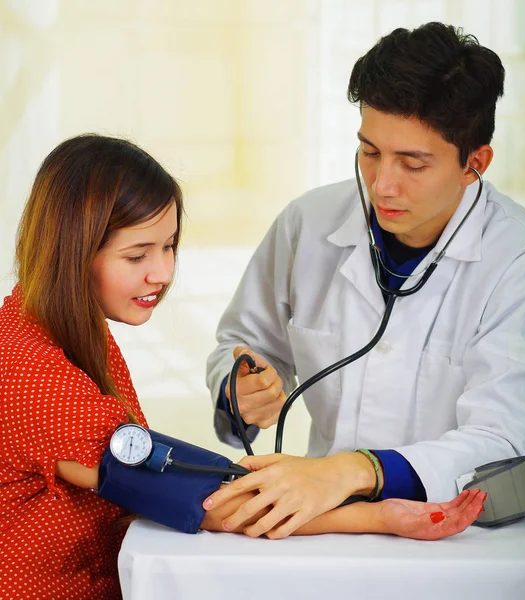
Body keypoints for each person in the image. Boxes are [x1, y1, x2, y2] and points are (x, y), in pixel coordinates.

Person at [0, 134, 486, 599]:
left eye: (169, 246)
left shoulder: (56, 326)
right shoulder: (31, 372)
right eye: (137, 254)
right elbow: (193, 495)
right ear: (71, 252)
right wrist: (380, 518)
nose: (163, 273)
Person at [204, 22, 525, 539]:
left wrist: (352, 469)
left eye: (413, 163)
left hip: (464, 540)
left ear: (475, 164)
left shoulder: (520, 259)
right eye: (370, 151)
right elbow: (243, 342)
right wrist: (241, 389)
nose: (382, 184)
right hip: (321, 521)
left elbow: (505, 438)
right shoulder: (308, 223)